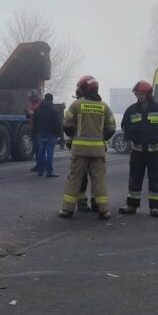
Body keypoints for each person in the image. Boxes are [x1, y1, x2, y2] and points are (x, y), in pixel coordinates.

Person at [58, 75, 116, 220]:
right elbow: (111, 128)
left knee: (75, 179)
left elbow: (67, 125)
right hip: (98, 152)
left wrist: (75, 134)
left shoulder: (76, 105)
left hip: (79, 151)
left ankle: (67, 210)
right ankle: (103, 210)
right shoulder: (104, 107)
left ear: (83, 88)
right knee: (99, 181)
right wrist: (100, 138)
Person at [118, 80, 158, 217]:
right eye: (137, 94)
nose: (139, 97)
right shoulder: (131, 110)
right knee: (134, 178)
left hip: (155, 151)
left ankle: (155, 208)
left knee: (155, 179)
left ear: (148, 94)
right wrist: (131, 135)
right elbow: (125, 125)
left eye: (141, 94)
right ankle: (131, 205)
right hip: (137, 151)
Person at [33, 93, 62, 177]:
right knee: (50, 152)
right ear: (51, 99)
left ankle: (40, 170)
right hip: (51, 134)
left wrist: (38, 131)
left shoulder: (38, 109)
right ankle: (49, 172)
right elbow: (57, 123)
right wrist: (57, 134)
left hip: (41, 134)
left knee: (40, 152)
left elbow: (35, 122)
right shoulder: (53, 110)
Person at [26, 90, 44, 173]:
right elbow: (30, 115)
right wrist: (27, 114)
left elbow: (39, 115)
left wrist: (32, 113)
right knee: (36, 148)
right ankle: (39, 164)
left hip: (38, 128)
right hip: (32, 127)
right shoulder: (31, 104)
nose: (30, 100)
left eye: (31, 98)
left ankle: (42, 165)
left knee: (39, 147)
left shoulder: (40, 104)